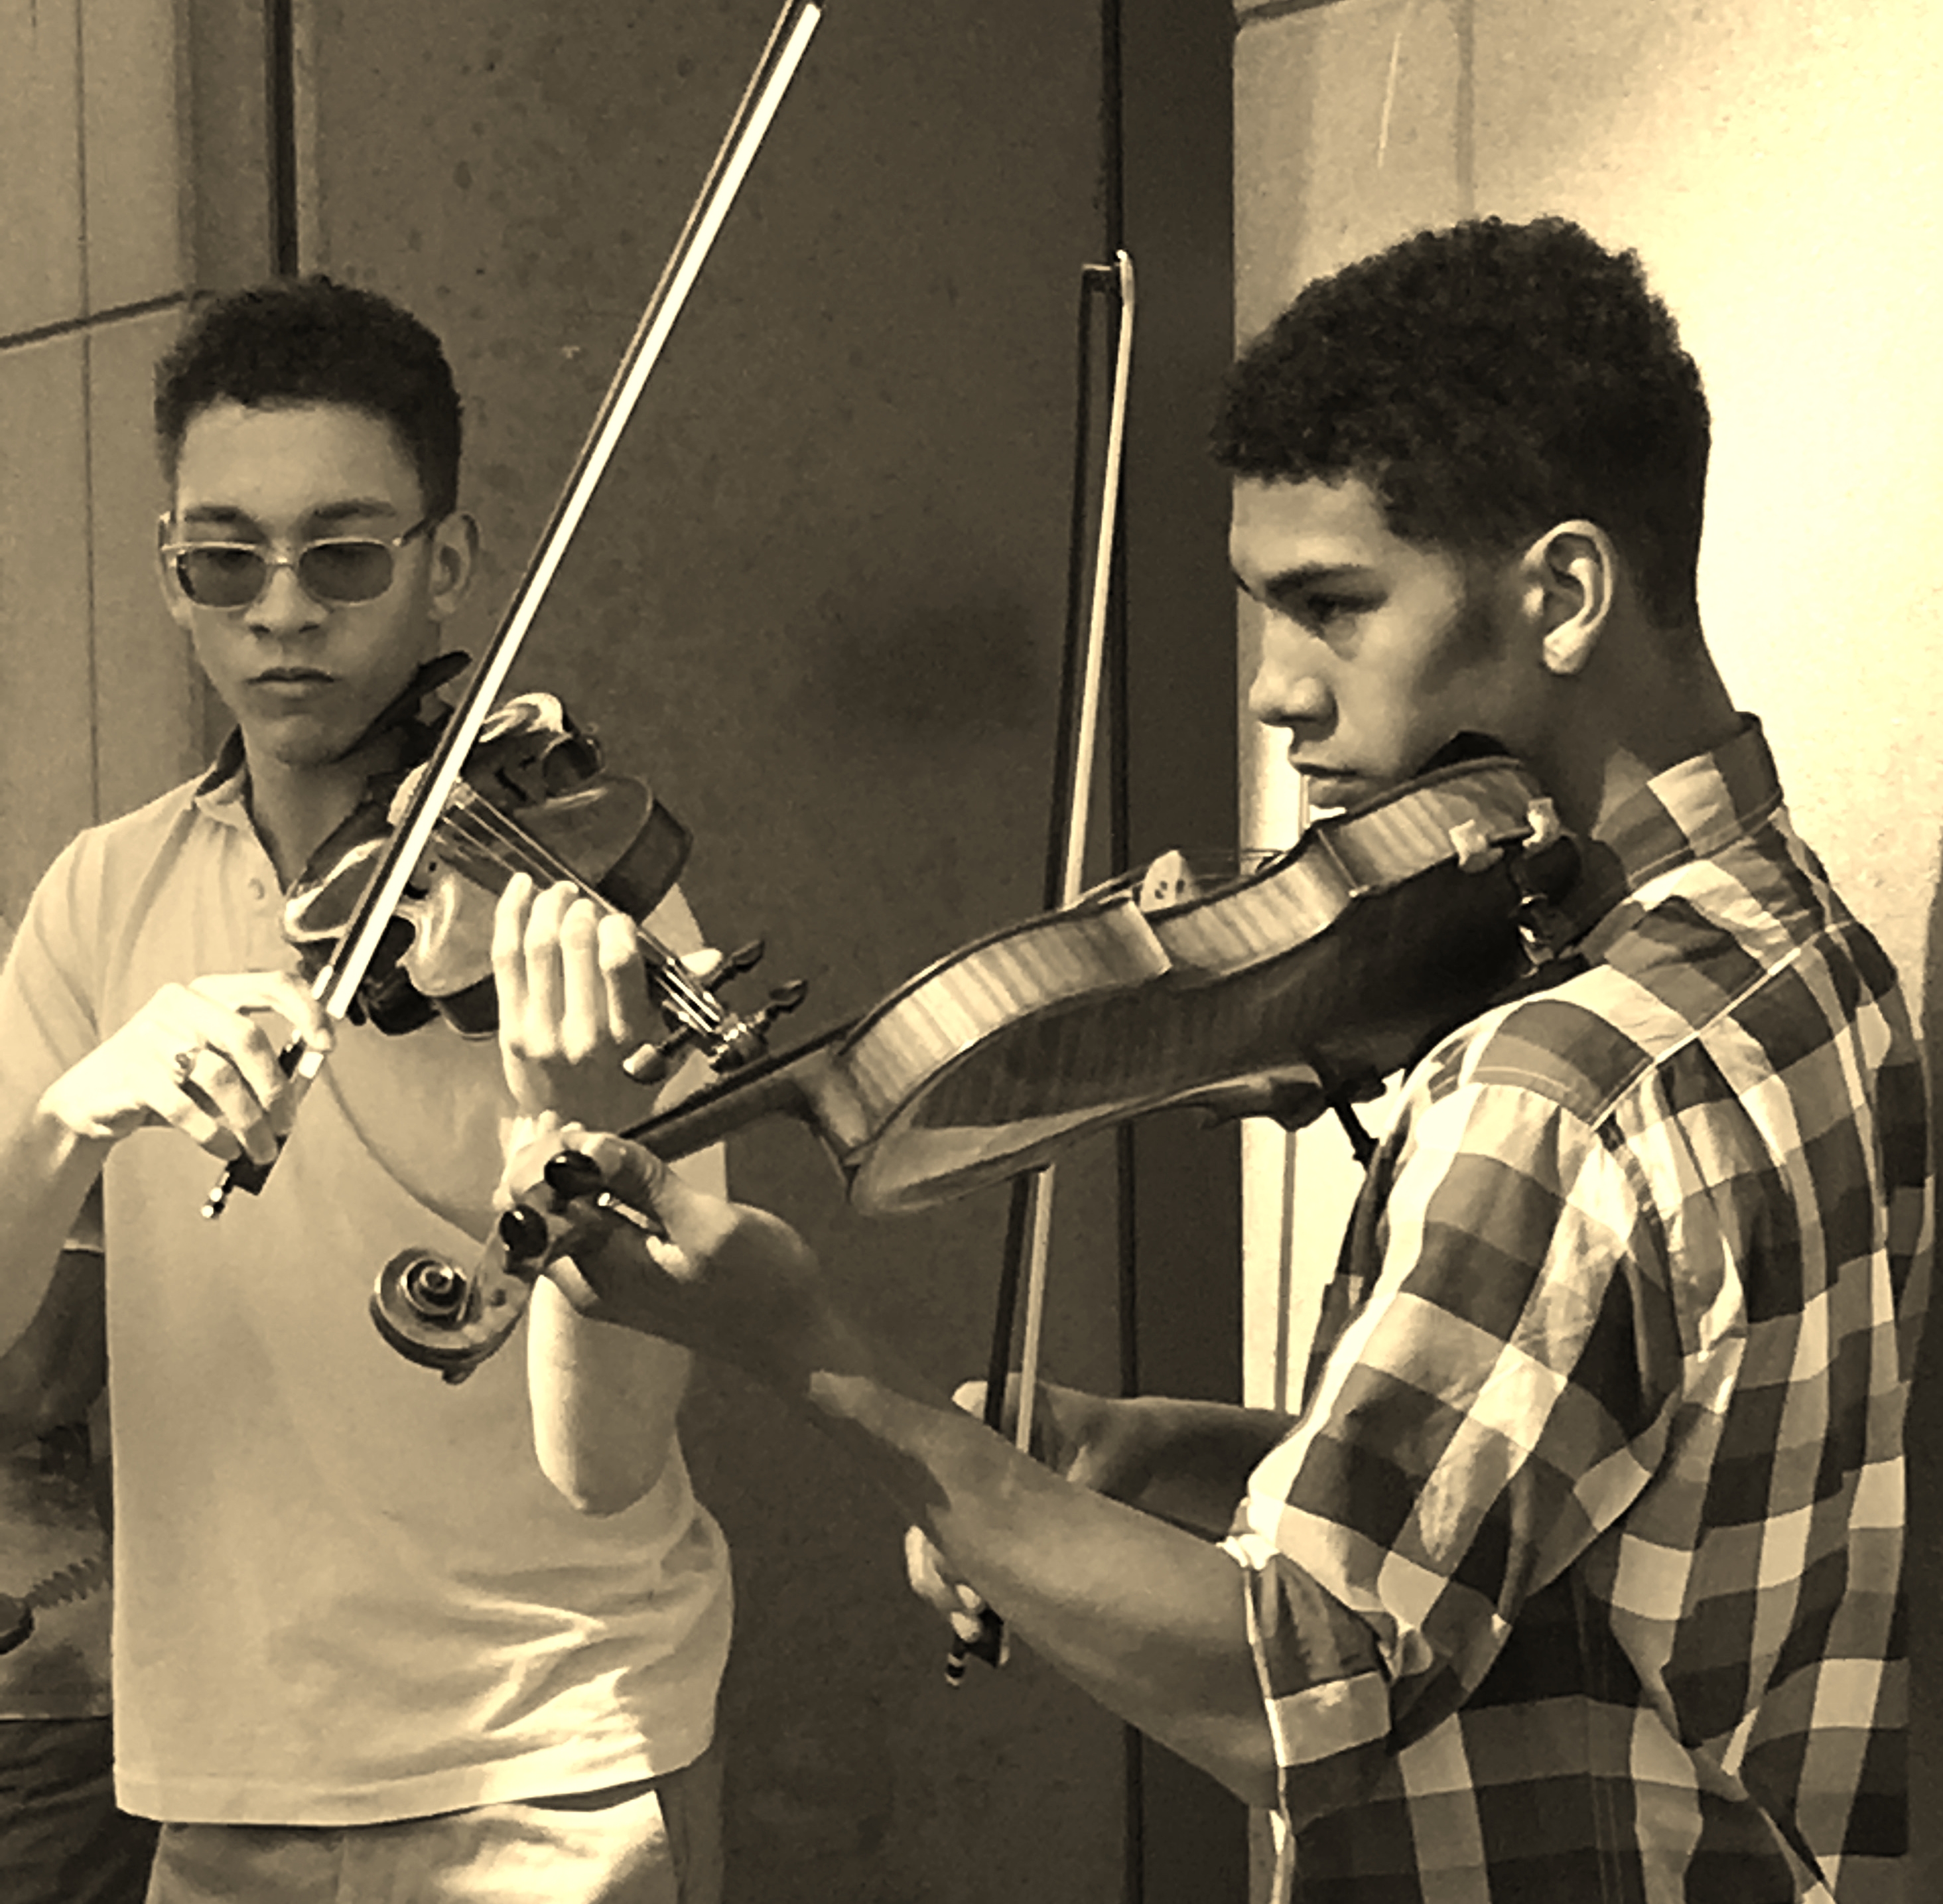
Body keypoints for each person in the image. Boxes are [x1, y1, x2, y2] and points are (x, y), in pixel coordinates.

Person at [494, 216, 1932, 1903]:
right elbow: (1582, 1512)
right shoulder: (1800, 948)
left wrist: (822, 1361)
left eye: (1334, 607)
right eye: (1262, 611)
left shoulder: (1553, 1083)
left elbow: (1297, 1687)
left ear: (1561, 592)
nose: (1271, 689)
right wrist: (1158, 1457)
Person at [0, 279, 732, 1901]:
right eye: (225, 558)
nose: (282, 611)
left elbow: (612, 1460)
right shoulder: (100, 896)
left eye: (343, 556)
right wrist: (72, 1114)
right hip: (220, 1766)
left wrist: (576, 1135)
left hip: (555, 1762)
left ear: (447, 563)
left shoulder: (576, 888)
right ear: (170, 569)